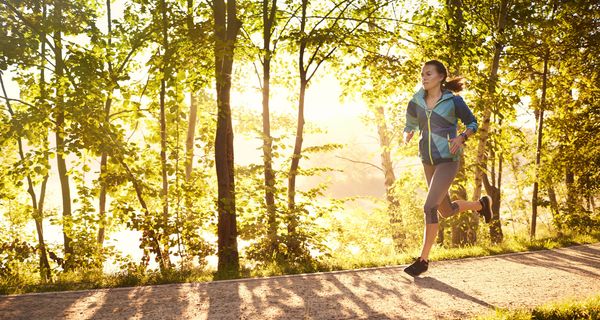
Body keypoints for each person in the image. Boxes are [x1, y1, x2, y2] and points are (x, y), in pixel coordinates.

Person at [402, 60, 493, 277]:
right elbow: (411, 122)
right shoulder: (416, 101)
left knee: (429, 207)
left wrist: (462, 137)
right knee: (446, 210)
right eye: (422, 74)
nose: (424, 77)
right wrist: (408, 132)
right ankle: (481, 205)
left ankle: (423, 260)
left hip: (448, 160)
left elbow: (472, 123)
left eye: (428, 74)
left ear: (441, 77)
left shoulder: (453, 101)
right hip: (428, 160)